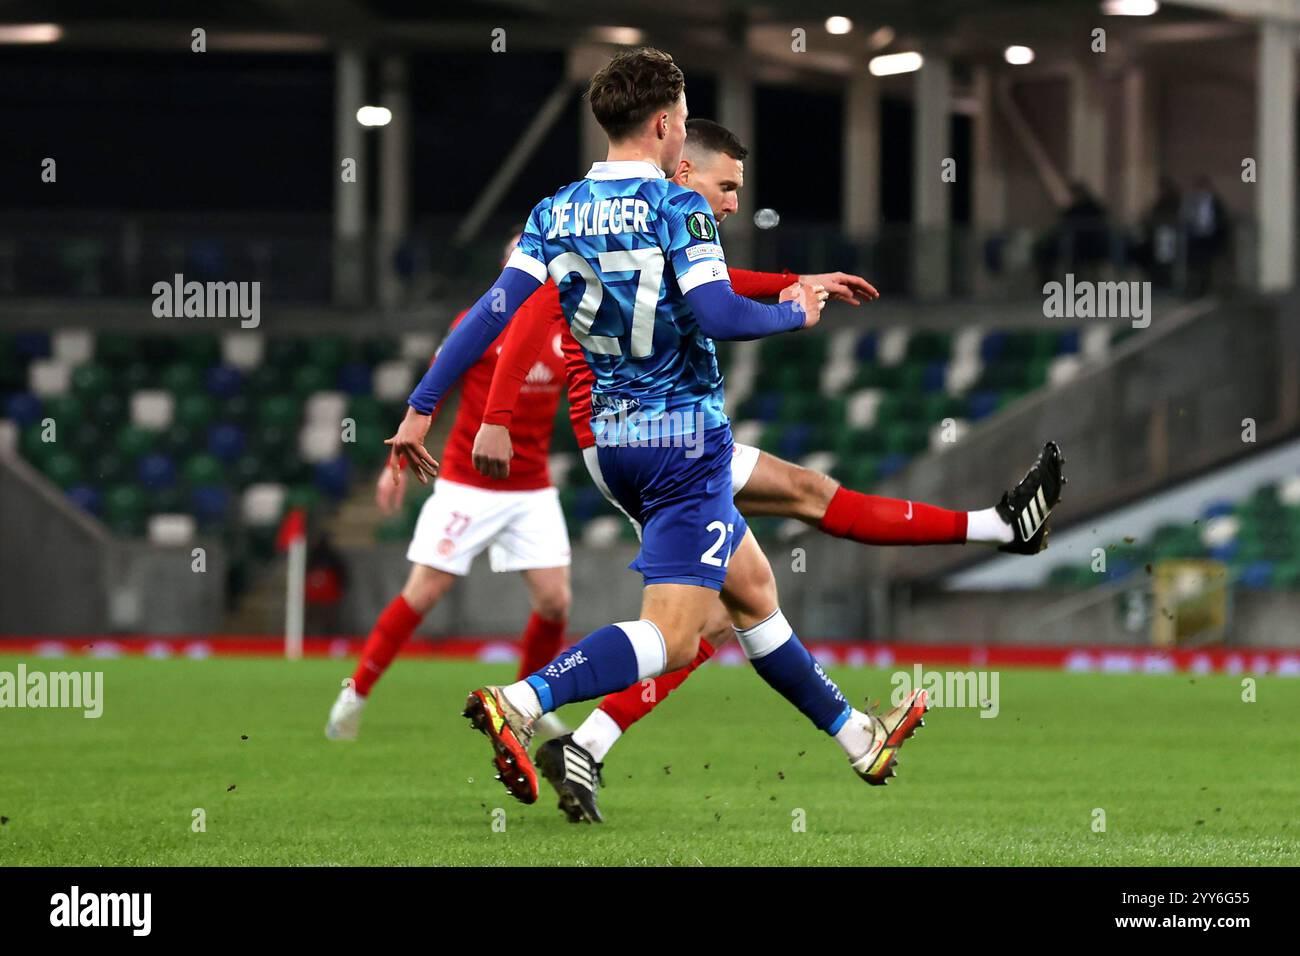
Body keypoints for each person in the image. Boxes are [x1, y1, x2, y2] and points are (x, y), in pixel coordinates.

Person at [389, 48, 1039, 811]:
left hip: (612, 443)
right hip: (684, 446)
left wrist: (423, 405)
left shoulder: (554, 210)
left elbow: (492, 313)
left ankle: (860, 737)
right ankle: (525, 703)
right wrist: (792, 313)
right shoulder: (676, 206)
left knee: (753, 588)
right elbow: (718, 313)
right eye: (685, 117)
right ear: (665, 124)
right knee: (670, 638)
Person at [324, 227, 571, 742]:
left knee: (555, 602)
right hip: (466, 485)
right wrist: (390, 466)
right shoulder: (477, 324)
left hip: (531, 489)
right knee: (424, 592)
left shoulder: (569, 328)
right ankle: (357, 691)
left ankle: (528, 701)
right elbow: (432, 392)